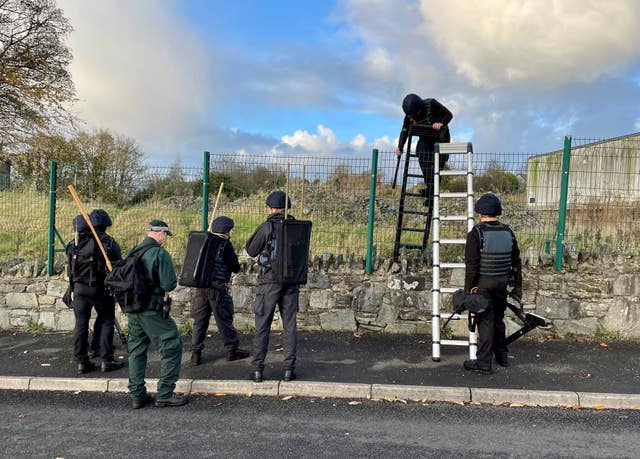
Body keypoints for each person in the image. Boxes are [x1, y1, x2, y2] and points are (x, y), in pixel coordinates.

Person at [126, 220, 187, 409]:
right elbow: (169, 284)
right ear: (160, 232)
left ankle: (137, 396)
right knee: (172, 347)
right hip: (152, 310)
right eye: (165, 235)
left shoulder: (133, 251)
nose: (165, 239)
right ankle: (165, 394)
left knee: (136, 351)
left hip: (133, 310)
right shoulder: (159, 253)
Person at [463, 193, 523, 374]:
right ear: (497, 211)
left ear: (480, 213)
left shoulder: (476, 233)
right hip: (502, 283)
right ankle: (502, 357)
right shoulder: (508, 232)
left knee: (485, 321)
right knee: (498, 319)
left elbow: (472, 265)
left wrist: (468, 289)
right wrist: (517, 286)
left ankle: (483, 363)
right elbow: (516, 261)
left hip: (483, 284)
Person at [245, 191, 300, 383]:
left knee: (263, 324)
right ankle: (289, 369)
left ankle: (258, 369)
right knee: (290, 325)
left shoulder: (267, 226)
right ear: (287, 208)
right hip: (292, 280)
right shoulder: (298, 227)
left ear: (271, 208)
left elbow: (251, 250)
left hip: (269, 280)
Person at [66, 210, 124, 375]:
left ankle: (82, 362)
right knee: (107, 321)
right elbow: (118, 267)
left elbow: (70, 270)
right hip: (101, 289)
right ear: (106, 225)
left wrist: (72, 288)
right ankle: (107, 360)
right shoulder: (108, 243)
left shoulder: (74, 244)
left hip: (78, 289)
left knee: (81, 324)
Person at [190, 216, 250, 365]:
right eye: (231, 230)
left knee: (200, 321)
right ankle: (232, 351)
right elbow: (235, 267)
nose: (232, 232)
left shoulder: (203, 241)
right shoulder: (224, 245)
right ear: (226, 231)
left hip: (201, 288)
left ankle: (195, 354)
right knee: (224, 320)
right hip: (217, 288)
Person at [396, 94, 453, 238]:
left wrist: (440, 123)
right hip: (425, 140)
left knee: (436, 167)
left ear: (420, 108)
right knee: (421, 156)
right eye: (411, 115)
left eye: (415, 113)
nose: (413, 116)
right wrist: (400, 147)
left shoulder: (431, 104)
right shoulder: (409, 116)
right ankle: (431, 190)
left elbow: (449, 115)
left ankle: (432, 193)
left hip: (441, 139)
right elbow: (404, 130)